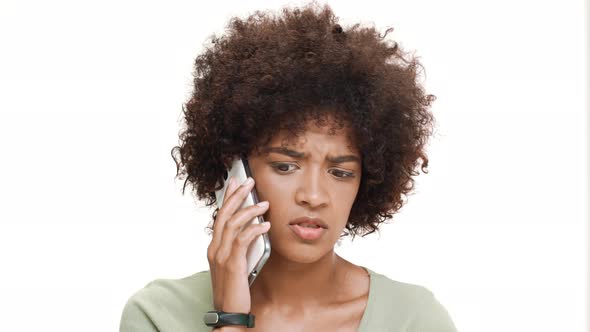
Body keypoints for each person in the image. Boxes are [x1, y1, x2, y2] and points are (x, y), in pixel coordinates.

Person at [120, 2, 458, 331]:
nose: (314, 196)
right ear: (234, 170)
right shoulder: (158, 316)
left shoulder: (416, 321)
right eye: (285, 166)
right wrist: (230, 320)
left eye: (340, 173)